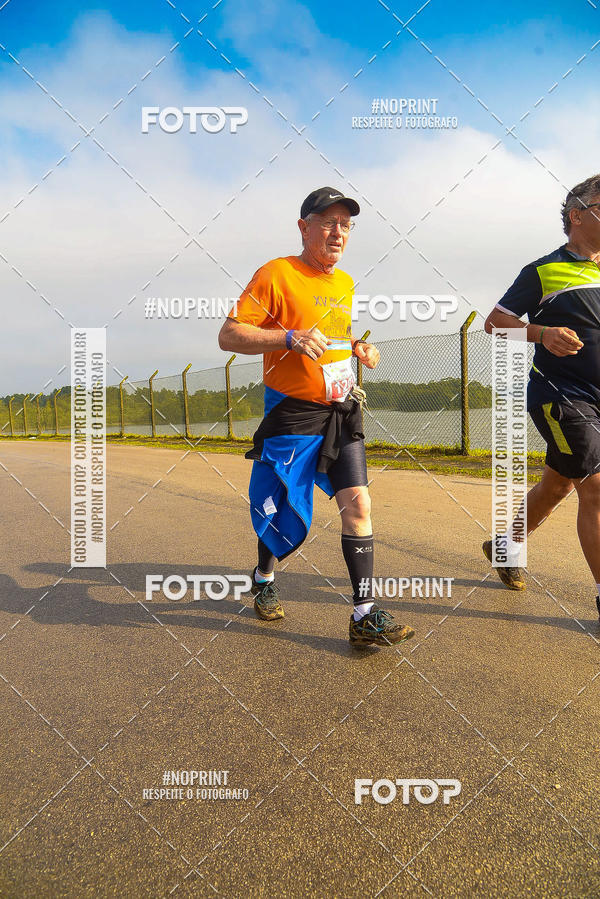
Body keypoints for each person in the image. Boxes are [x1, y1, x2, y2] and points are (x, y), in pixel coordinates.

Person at [218, 187, 415, 646]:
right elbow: (229, 335)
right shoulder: (277, 273)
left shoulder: (344, 283)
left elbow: (333, 339)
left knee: (359, 504)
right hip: (290, 412)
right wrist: (286, 338)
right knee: (284, 504)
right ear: (303, 226)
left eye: (345, 225)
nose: (337, 232)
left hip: (341, 411)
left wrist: (356, 348)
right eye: (327, 222)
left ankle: (364, 614)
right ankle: (265, 578)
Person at [483, 174, 600, 622]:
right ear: (577, 214)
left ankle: (504, 546)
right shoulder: (542, 270)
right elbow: (495, 323)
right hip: (561, 396)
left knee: (558, 484)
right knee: (597, 488)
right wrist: (542, 332)